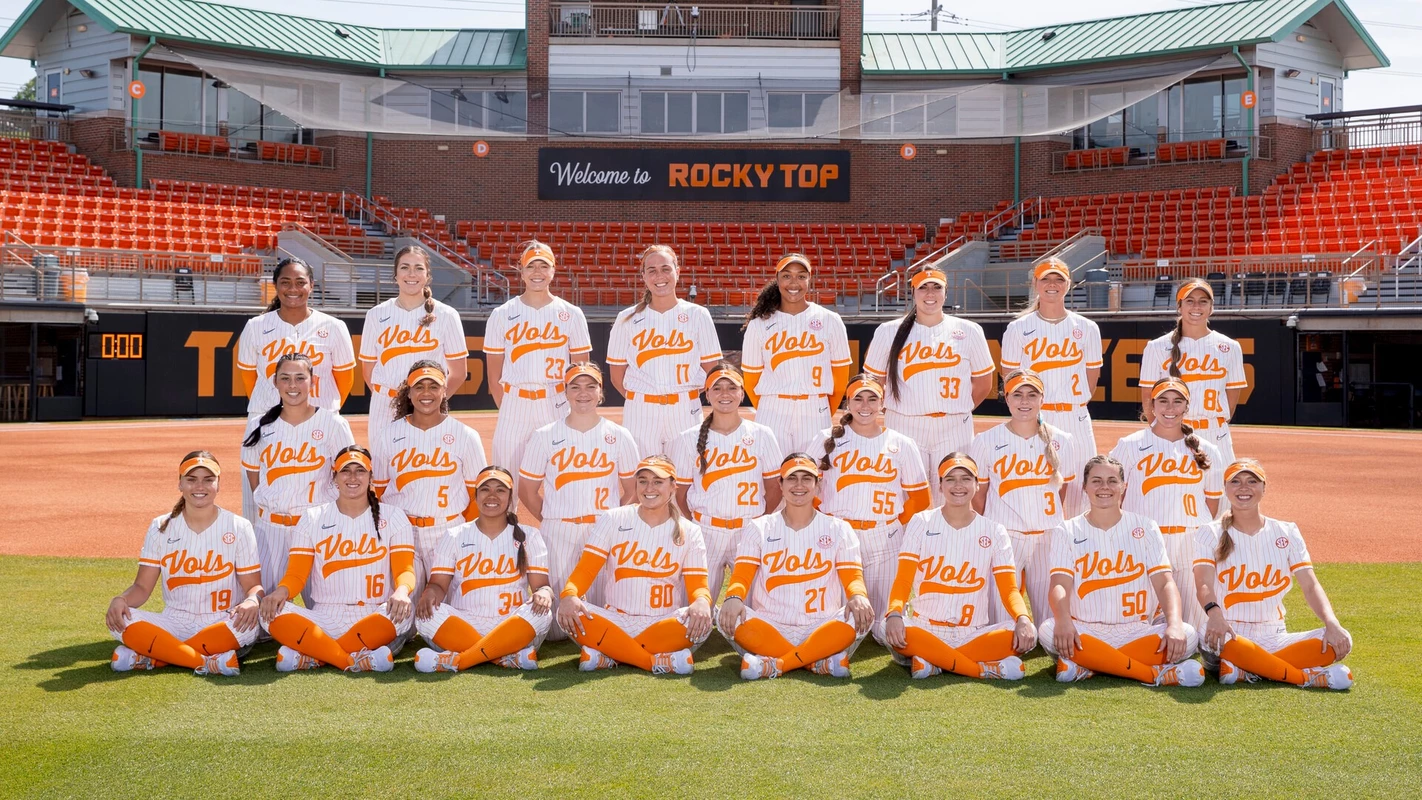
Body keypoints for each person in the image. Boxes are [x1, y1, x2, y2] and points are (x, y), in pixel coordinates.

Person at [1040, 455, 1205, 687]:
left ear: (1123, 486)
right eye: (1096, 481)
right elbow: (1059, 584)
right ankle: (1153, 674)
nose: (1104, 487)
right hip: (1085, 630)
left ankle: (1088, 665)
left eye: (1112, 481)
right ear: (1085, 487)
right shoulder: (1066, 530)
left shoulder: (1145, 527)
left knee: (1187, 634)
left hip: (1136, 630)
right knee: (1048, 631)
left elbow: (1165, 582)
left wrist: (1175, 623)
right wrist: (1064, 621)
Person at [1192, 459, 1353, 689]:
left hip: (1275, 635)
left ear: (1264, 488)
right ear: (1225, 489)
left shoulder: (1287, 532)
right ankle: (1306, 678)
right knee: (1214, 637)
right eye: (1235, 481)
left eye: (1252, 481)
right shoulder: (1209, 532)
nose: (1244, 487)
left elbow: (1310, 586)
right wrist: (1215, 615)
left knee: (1341, 639)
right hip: (1228, 633)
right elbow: (1203, 583)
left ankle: (1246, 670)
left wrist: (1332, 622)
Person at [716, 454, 874, 680]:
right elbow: (742, 576)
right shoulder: (759, 527)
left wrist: (858, 596)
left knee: (860, 614)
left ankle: (778, 663)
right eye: (791, 478)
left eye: (806, 478)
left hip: (822, 626)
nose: (799, 485)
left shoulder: (838, 528)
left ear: (817, 485)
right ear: (780, 484)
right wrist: (733, 597)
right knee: (725, 615)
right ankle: (816, 661)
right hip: (771, 626)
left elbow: (853, 577)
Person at [260, 446, 416, 672]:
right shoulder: (313, 517)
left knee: (404, 613)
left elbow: (405, 570)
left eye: (360, 471)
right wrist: (281, 592)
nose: (353, 477)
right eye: (345, 471)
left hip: (374, 614)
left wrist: (402, 591)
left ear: (371, 477)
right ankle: (352, 659)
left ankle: (316, 655)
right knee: (269, 613)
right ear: (334, 477)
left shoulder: (393, 516)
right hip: (324, 617)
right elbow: (296, 575)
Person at [107, 452, 261, 676]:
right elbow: (142, 587)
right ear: (180, 483)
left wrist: (251, 601)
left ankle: (156, 656)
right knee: (121, 618)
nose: (200, 486)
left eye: (208, 479)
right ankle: (206, 662)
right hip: (174, 622)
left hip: (222, 620)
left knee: (249, 625)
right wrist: (120, 600)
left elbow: (253, 586)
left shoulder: (239, 526)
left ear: (218, 484)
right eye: (191, 479)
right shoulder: (161, 526)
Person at [884, 453, 1036, 680]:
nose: (958, 485)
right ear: (940, 485)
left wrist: (1023, 618)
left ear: (977, 484)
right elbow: (903, 580)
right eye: (950, 479)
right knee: (888, 627)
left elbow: (1009, 590)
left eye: (965, 478)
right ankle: (980, 670)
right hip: (925, 629)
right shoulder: (921, 522)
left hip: (972, 632)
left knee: (1027, 633)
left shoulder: (994, 530)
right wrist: (895, 613)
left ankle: (933, 662)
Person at [556, 456, 711, 674]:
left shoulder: (690, 531)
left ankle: (610, 653)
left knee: (701, 622)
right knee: (566, 612)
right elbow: (586, 570)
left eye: (658, 482)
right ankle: (653, 661)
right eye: (643, 481)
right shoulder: (613, 518)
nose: (649, 488)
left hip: (662, 623)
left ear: (673, 486)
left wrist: (702, 601)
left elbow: (698, 587)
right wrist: (570, 594)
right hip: (616, 620)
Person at [519, 362, 640, 638]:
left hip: (602, 530)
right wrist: (551, 517)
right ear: (565, 392)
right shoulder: (544, 436)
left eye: (590, 386)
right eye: (575, 387)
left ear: (600, 392)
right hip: (558, 529)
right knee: (554, 629)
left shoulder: (619, 435)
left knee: (600, 617)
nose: (583, 393)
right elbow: (527, 490)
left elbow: (633, 487)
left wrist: (612, 521)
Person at [236, 257, 355, 519]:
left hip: (320, 421)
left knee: (325, 497)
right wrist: (270, 411)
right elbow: (248, 377)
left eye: (300, 282)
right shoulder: (255, 326)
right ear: (275, 285)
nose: (293, 288)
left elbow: (345, 379)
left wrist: (322, 414)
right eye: (285, 282)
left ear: (311, 285)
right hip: (266, 420)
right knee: (258, 503)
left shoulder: (334, 327)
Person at [863, 268, 994, 504]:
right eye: (923, 287)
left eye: (936, 287)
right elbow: (874, 383)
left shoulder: (969, 331)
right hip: (904, 423)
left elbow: (984, 383)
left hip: (954, 426)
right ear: (913, 292)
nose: (930, 293)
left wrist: (957, 408)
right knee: (907, 497)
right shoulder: (888, 331)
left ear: (946, 292)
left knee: (954, 497)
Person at [814, 374, 930, 644]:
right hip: (839, 536)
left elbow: (920, 498)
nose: (865, 405)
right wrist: (826, 519)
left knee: (886, 629)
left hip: (884, 539)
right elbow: (803, 487)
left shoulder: (901, 443)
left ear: (882, 403)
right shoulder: (826, 439)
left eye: (872, 399)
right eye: (858, 399)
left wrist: (892, 524)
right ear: (848, 402)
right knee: (838, 625)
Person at [413, 466, 553, 673]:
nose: (492, 496)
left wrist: (544, 594)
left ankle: (462, 660)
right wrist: (429, 594)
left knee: (542, 613)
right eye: (485, 489)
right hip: (464, 623)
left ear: (510, 498)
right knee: (425, 615)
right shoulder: (454, 535)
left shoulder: (529, 536)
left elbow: (542, 586)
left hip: (511, 623)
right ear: (476, 496)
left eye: (500, 490)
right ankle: (504, 657)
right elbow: (438, 585)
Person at [1109, 377, 1222, 630]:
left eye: (1177, 401)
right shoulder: (1129, 445)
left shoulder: (1208, 450)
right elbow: (1113, 496)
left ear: (1187, 406)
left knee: (1195, 626)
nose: (1170, 408)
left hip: (1190, 544)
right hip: (1143, 541)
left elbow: (1211, 504)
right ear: (1152, 405)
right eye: (1163, 401)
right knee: (1140, 623)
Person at [242, 352, 356, 599]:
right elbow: (254, 475)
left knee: (326, 608)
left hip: (318, 528)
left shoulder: (333, 424)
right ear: (275, 382)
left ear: (313, 381)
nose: (292, 385)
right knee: (262, 613)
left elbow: (350, 475)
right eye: (285, 378)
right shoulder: (258, 425)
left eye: (300, 378)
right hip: (271, 530)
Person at [967, 369, 1077, 621]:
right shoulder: (986, 441)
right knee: (1001, 620)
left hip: (1048, 537)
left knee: (1052, 622)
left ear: (1042, 399)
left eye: (1032, 394)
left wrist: (1046, 519)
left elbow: (1062, 491)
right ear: (1006, 398)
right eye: (1017, 395)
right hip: (1006, 537)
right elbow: (979, 495)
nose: (1024, 401)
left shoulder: (1063, 440)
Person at [483, 240, 592, 494]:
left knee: (565, 482)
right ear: (521, 271)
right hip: (515, 403)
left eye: (544, 265)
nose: (537, 272)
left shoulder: (571, 313)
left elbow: (582, 374)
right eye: (531, 266)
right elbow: (494, 377)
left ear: (553, 270)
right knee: (505, 481)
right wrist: (509, 405)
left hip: (556, 402)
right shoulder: (502, 314)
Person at [371, 361, 487, 597]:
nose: (426, 393)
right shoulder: (388, 435)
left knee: (447, 609)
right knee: (403, 611)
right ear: (409, 392)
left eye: (433, 386)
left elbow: (479, 495)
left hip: (448, 530)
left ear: (444, 391)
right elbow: (380, 492)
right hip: (403, 531)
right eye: (419, 386)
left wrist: (463, 532)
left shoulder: (465, 435)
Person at [670, 363, 783, 602]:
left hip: (749, 528)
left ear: (742, 393)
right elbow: (680, 493)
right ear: (707, 393)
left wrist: (760, 522)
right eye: (717, 388)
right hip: (706, 530)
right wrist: (695, 526)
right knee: (696, 609)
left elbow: (774, 487)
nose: (725, 394)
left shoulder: (762, 434)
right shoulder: (688, 438)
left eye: (732, 387)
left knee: (751, 608)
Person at [999, 258, 1102, 508]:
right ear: (1035, 283)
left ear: (1069, 284)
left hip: (1075, 416)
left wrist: (1074, 400)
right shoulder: (1018, 328)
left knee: (1081, 491)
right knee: (1036, 487)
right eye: (1046, 278)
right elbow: (1010, 379)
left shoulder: (1087, 327)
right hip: (1036, 418)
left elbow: (1092, 379)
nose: (1052, 284)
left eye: (1059, 279)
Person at [606, 244, 723, 455]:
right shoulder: (626, 318)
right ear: (643, 276)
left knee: (686, 471)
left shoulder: (698, 315)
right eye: (652, 270)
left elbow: (711, 371)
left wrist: (684, 395)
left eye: (665, 268)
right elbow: (616, 376)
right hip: (641, 411)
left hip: (685, 408)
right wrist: (641, 398)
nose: (659, 275)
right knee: (642, 470)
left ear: (677, 272)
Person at [740, 253, 851, 455]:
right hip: (772, 407)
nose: (794, 282)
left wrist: (825, 410)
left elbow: (841, 378)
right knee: (771, 469)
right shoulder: (759, 325)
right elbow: (751, 380)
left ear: (810, 279)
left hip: (815, 406)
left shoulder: (830, 320)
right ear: (777, 279)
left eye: (801, 276)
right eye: (786, 276)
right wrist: (768, 406)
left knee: (815, 468)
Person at [360, 245, 469, 446]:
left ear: (428, 276)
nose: (411, 274)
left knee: (426, 462)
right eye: (405, 267)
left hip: (429, 407)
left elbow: (459, 373)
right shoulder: (376, 314)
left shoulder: (446, 315)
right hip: (384, 407)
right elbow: (368, 371)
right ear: (395, 275)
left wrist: (431, 399)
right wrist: (391, 397)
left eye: (419, 268)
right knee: (384, 464)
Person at [1138, 278, 1248, 463]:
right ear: (1179, 306)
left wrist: (1214, 422)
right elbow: (1148, 397)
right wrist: (1163, 430)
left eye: (1203, 301)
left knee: (1221, 482)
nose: (1196, 306)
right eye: (1190, 301)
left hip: (1216, 433)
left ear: (1211, 307)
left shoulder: (1230, 347)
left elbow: (1232, 398)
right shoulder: (1156, 347)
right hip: (1173, 432)